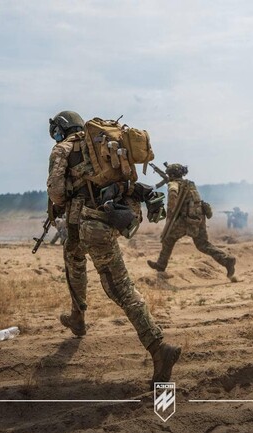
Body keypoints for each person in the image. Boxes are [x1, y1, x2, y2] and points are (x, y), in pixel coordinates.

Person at [46, 110, 181, 387]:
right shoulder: (99, 144)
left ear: (60, 129)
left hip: (90, 225)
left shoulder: (62, 149)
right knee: (73, 258)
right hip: (91, 224)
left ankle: (159, 348)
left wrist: (62, 200)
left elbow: (57, 192)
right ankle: (78, 317)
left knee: (119, 288)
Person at [147, 163, 237, 281]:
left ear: (171, 174)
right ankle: (227, 260)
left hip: (185, 220)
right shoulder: (189, 184)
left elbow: (173, 197)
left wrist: (170, 214)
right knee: (203, 244)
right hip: (199, 218)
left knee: (168, 238)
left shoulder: (173, 184)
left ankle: (161, 265)